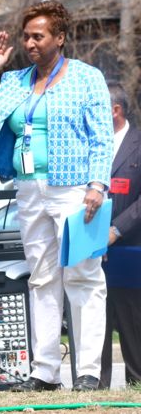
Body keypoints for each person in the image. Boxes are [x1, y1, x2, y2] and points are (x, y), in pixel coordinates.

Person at [0, 0, 113, 392]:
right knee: (42, 278)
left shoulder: (87, 78)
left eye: (38, 36)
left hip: (74, 188)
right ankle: (44, 370)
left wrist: (97, 185)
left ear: (60, 38)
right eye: (26, 36)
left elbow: (102, 137)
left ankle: (87, 371)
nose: (30, 43)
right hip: (29, 187)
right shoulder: (16, 81)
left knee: (83, 276)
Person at [99, 82, 141, 389]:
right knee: (96, 317)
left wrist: (117, 229)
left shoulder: (139, 143)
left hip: (130, 246)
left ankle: (136, 381)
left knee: (131, 317)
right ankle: (97, 383)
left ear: (115, 110)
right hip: (92, 247)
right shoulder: (89, 144)